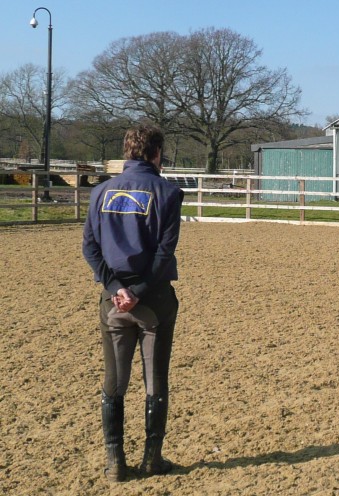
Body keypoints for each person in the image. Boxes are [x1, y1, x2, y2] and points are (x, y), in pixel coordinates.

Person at [83, 124, 184, 482]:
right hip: (153, 299)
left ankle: (115, 463)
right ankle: (152, 459)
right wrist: (139, 290)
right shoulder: (168, 194)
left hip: (113, 301)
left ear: (127, 152)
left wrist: (116, 287)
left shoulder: (100, 193)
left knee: (114, 381)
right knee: (155, 380)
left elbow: (90, 249)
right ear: (156, 153)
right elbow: (163, 252)